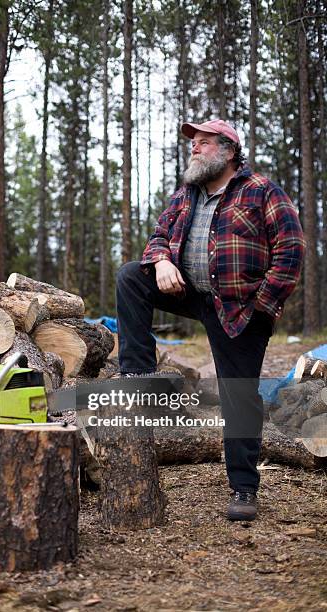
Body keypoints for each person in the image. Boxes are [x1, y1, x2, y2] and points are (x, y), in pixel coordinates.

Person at [116, 119, 305, 521]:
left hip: (239, 308)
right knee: (133, 274)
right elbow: (158, 236)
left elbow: (290, 252)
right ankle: (138, 374)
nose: (194, 149)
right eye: (193, 144)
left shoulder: (262, 191)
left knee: (238, 394)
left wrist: (261, 306)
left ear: (229, 150)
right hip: (190, 292)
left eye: (203, 143)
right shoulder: (187, 194)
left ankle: (243, 488)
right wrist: (162, 259)